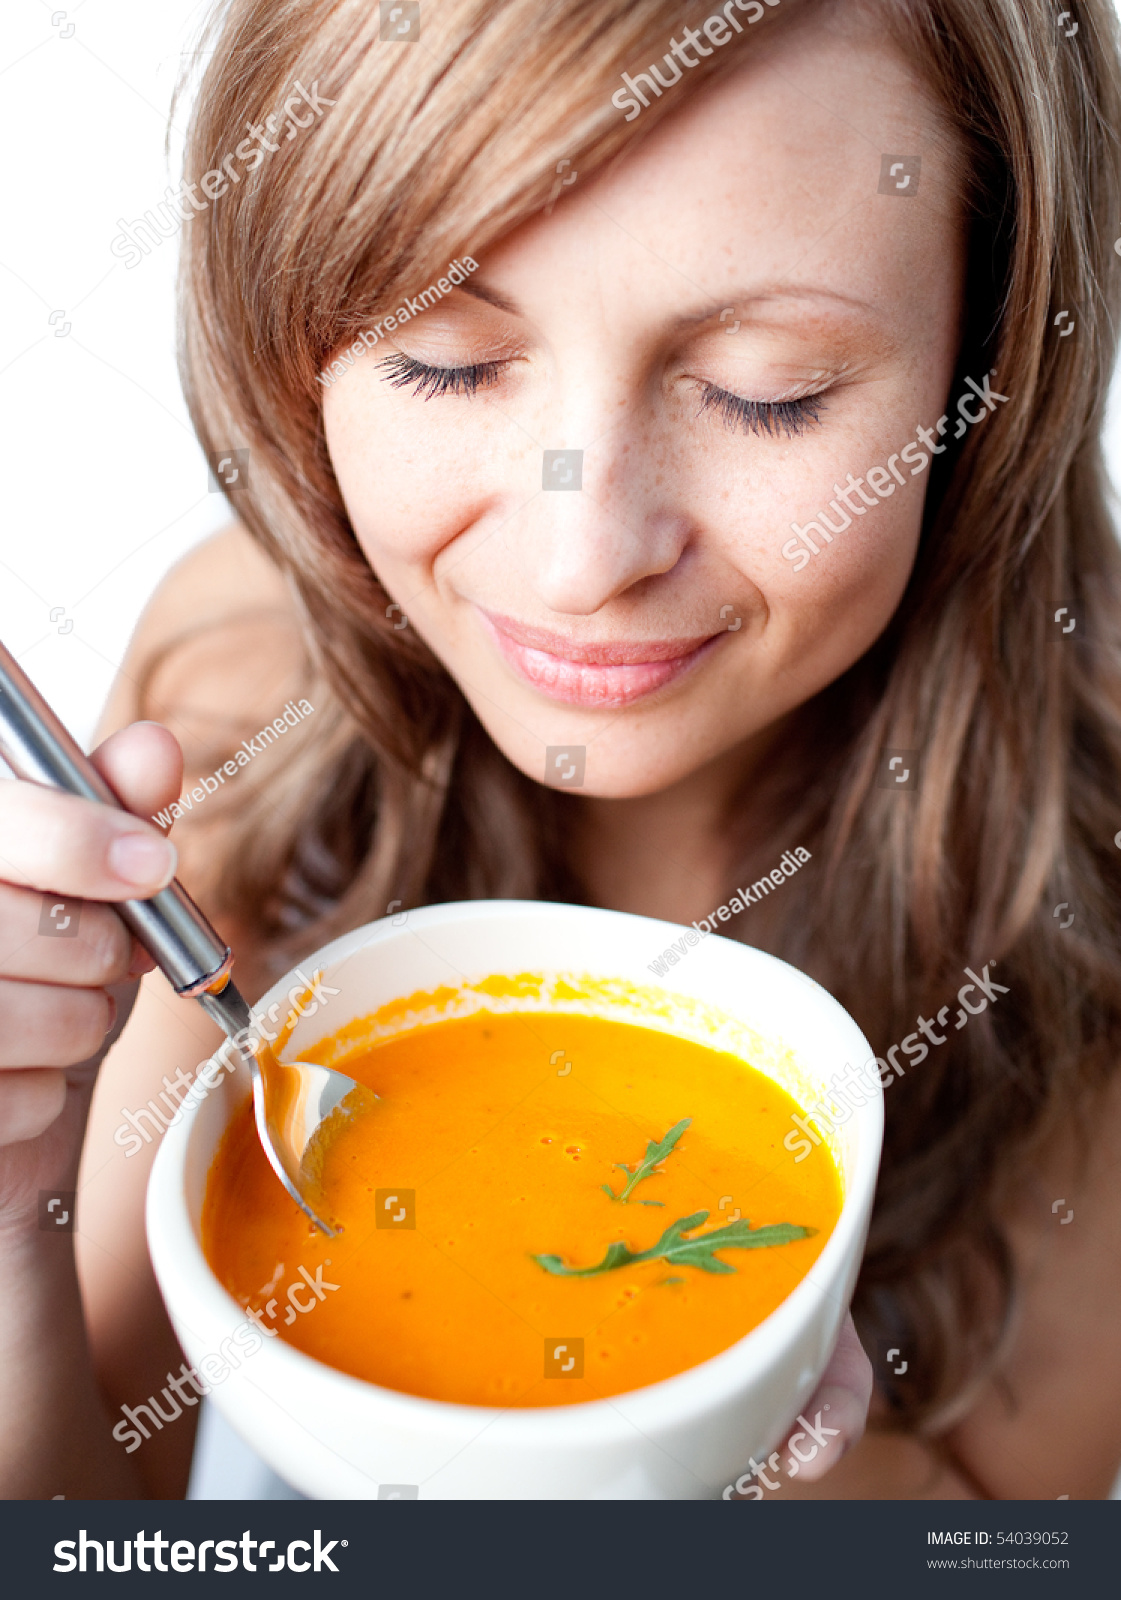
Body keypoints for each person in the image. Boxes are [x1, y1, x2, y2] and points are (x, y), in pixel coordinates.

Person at [2, 0, 1120, 1500]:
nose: (582, 555)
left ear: (977, 383)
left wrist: (730, 1478)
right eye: (448, 364)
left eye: (764, 390)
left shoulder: (1085, 883)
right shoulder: (238, 708)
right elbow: (91, 1524)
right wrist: (14, 1231)